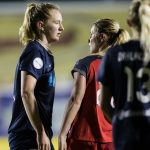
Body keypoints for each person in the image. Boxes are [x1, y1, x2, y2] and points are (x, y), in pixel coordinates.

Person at [58, 18, 130, 150]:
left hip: (83, 138)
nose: (88, 40)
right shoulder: (124, 67)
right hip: (113, 139)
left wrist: (62, 134)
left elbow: (76, 100)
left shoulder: (86, 64)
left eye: (91, 35)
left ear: (101, 37)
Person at [8, 2, 64, 150]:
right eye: (57, 22)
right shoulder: (35, 51)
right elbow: (26, 92)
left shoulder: (45, 54)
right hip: (28, 137)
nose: (61, 28)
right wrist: (40, 132)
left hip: (37, 136)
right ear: (41, 25)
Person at [98, 0, 150, 150]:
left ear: (129, 22)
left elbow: (104, 103)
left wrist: (120, 120)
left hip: (125, 133)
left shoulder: (113, 54)